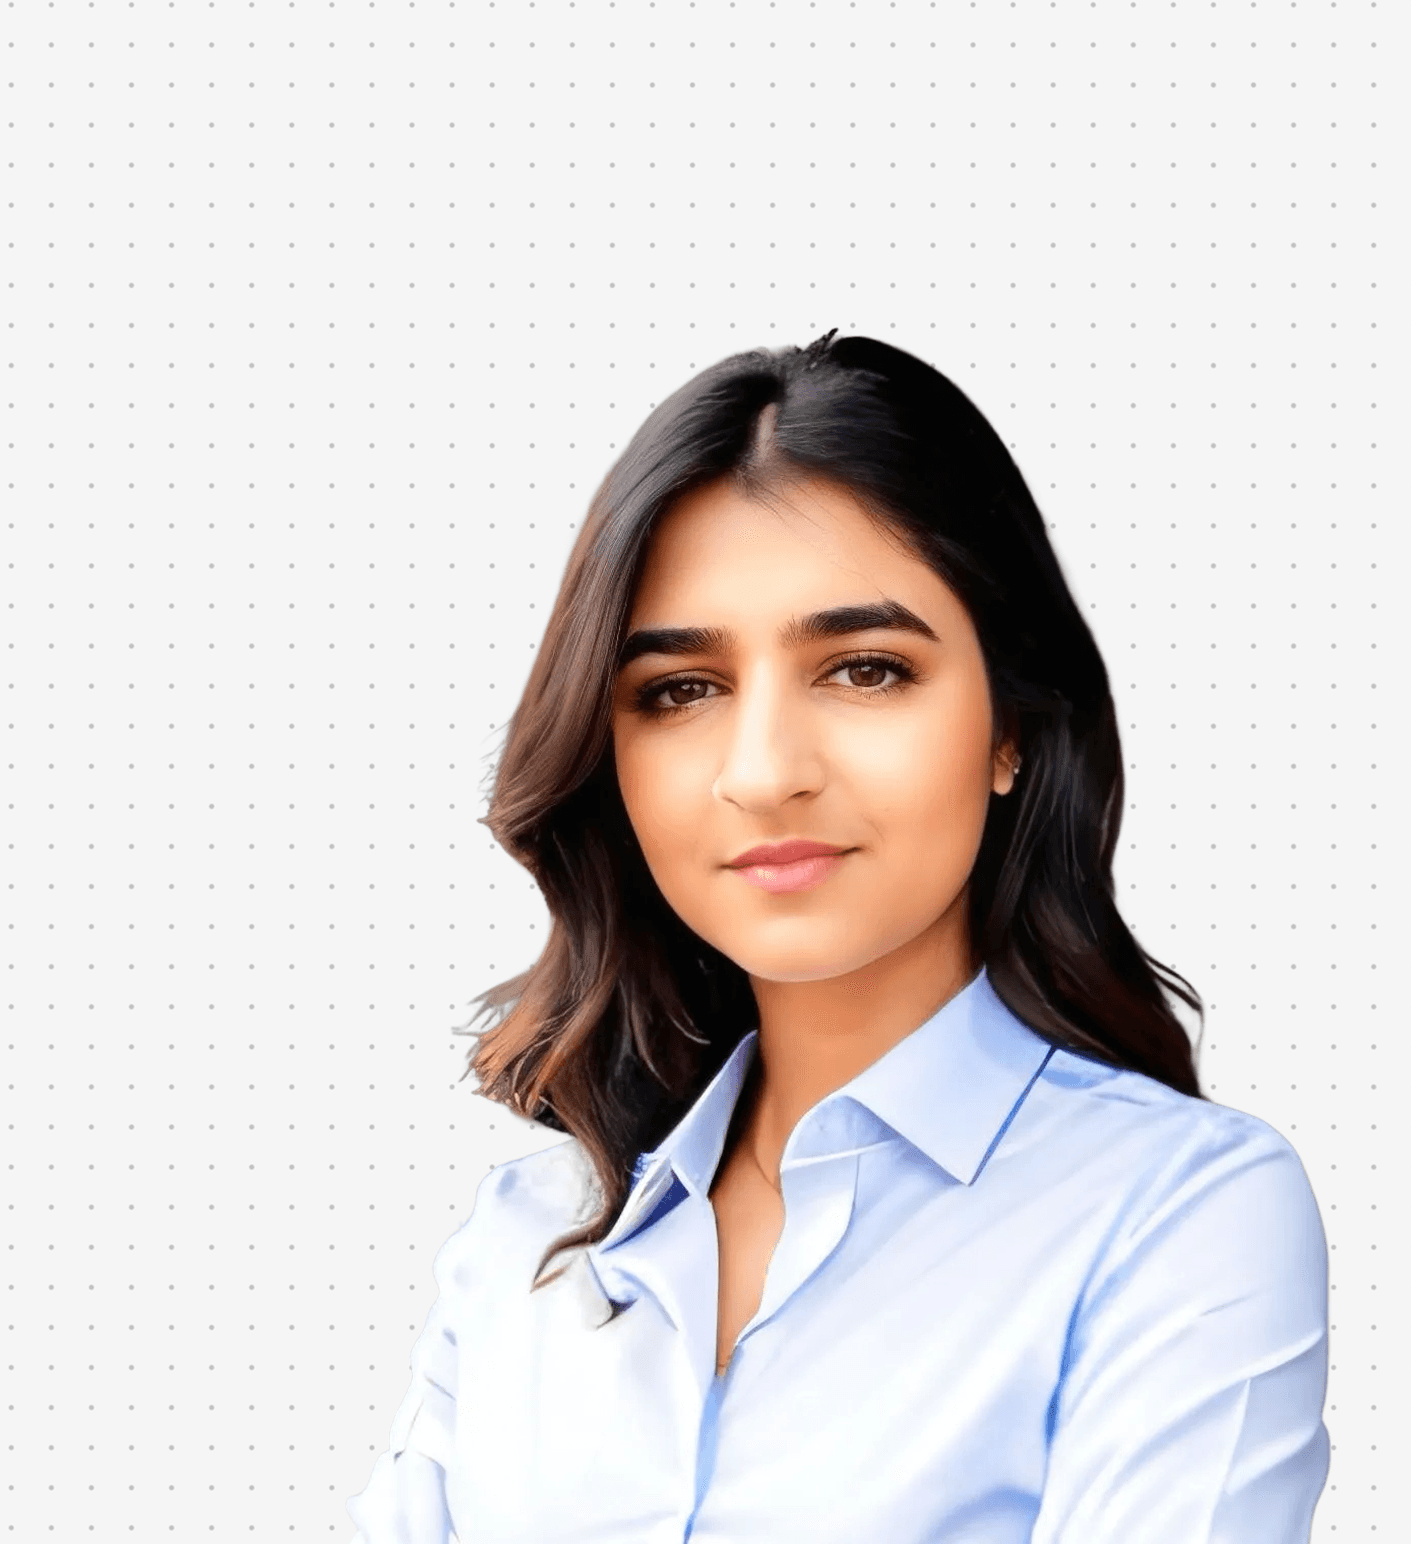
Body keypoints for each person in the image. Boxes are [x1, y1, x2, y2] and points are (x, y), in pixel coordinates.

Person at [346, 330, 1332, 1543]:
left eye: (863, 670)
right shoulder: (524, 1241)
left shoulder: (1177, 1214)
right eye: (680, 690)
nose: (763, 773)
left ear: (1011, 725)